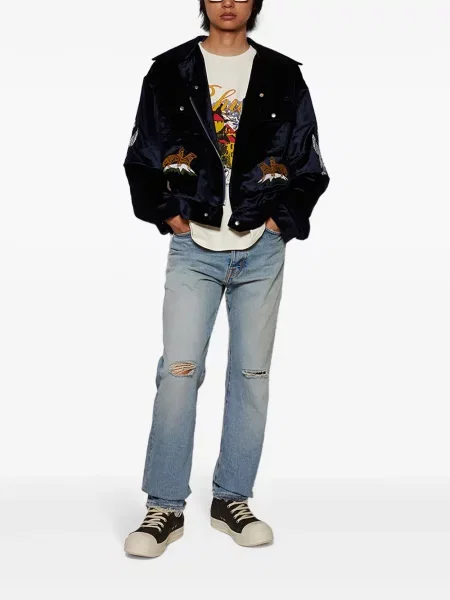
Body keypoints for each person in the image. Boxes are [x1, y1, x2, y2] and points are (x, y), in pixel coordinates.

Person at [123, 0, 330, 558]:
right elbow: (141, 157)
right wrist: (170, 216)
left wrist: (280, 221)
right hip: (195, 246)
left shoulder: (283, 75)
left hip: (261, 248)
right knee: (179, 372)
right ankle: (164, 506)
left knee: (251, 376)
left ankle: (232, 499)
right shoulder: (169, 71)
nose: (229, 2)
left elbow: (309, 164)